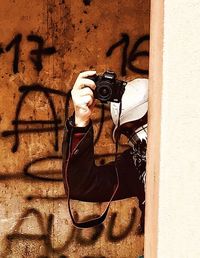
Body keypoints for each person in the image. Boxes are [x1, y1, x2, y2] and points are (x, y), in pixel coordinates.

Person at [62, 70, 148, 233]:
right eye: (127, 131)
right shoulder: (136, 163)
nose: (135, 135)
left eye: (138, 123)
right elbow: (82, 186)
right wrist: (80, 122)